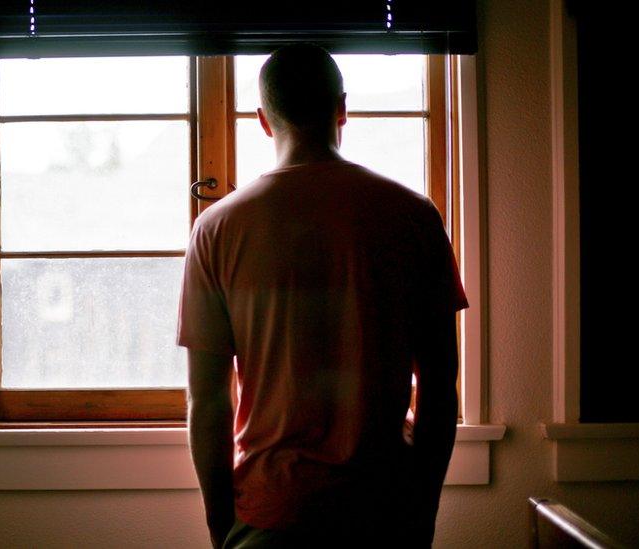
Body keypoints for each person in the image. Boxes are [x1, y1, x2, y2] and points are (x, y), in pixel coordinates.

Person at [177, 43, 468, 548]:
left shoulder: (217, 229)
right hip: (386, 509)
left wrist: (220, 524)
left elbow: (208, 401)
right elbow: (441, 387)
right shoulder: (413, 217)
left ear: (263, 120)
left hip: (272, 512)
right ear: (342, 109)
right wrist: (423, 512)